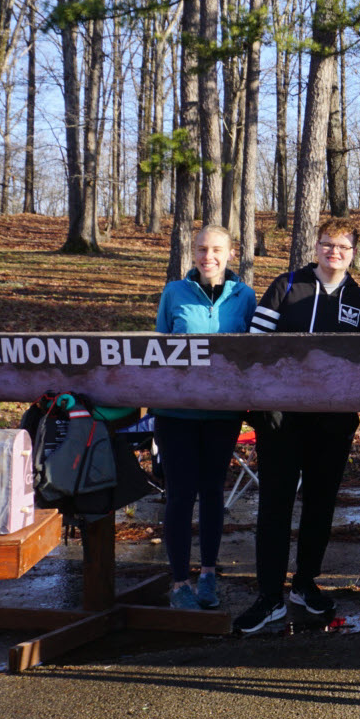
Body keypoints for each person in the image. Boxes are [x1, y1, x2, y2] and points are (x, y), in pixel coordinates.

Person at [234, 219, 360, 634]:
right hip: (281, 417)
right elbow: (254, 346)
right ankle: (269, 596)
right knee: (275, 504)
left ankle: (305, 584)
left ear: (353, 253)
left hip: (332, 422)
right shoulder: (287, 284)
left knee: (320, 504)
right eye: (328, 244)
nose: (334, 252)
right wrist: (260, 406)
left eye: (343, 246)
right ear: (315, 246)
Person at [152, 225, 256, 610]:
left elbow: (250, 355)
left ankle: (209, 574)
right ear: (192, 253)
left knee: (213, 491)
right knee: (179, 494)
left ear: (231, 253)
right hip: (175, 413)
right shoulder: (174, 292)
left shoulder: (245, 297)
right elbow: (159, 351)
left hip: (222, 414)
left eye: (216, 249)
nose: (207, 256)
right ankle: (179, 582)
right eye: (200, 249)